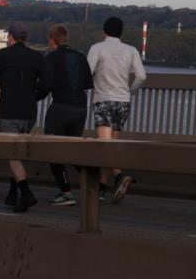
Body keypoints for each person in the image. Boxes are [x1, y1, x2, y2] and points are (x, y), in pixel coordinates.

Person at [0, 24, 51, 213]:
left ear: (11, 37)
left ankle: (26, 193)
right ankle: (13, 195)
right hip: (29, 112)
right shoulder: (37, 57)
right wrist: (35, 96)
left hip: (9, 110)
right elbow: (48, 83)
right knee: (18, 155)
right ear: (24, 38)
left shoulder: (2, 55)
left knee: (12, 154)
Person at [88, 16, 146, 203]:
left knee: (105, 145)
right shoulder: (131, 50)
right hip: (123, 102)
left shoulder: (97, 48)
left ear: (104, 31)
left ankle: (120, 175)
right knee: (111, 144)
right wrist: (130, 91)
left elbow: (88, 72)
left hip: (104, 99)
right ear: (121, 31)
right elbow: (141, 76)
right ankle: (103, 190)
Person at [43, 24, 93, 206]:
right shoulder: (80, 57)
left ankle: (66, 192)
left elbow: (46, 83)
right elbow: (88, 83)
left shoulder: (52, 57)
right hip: (80, 109)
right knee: (73, 150)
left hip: (60, 108)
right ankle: (92, 181)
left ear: (52, 40)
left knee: (52, 148)